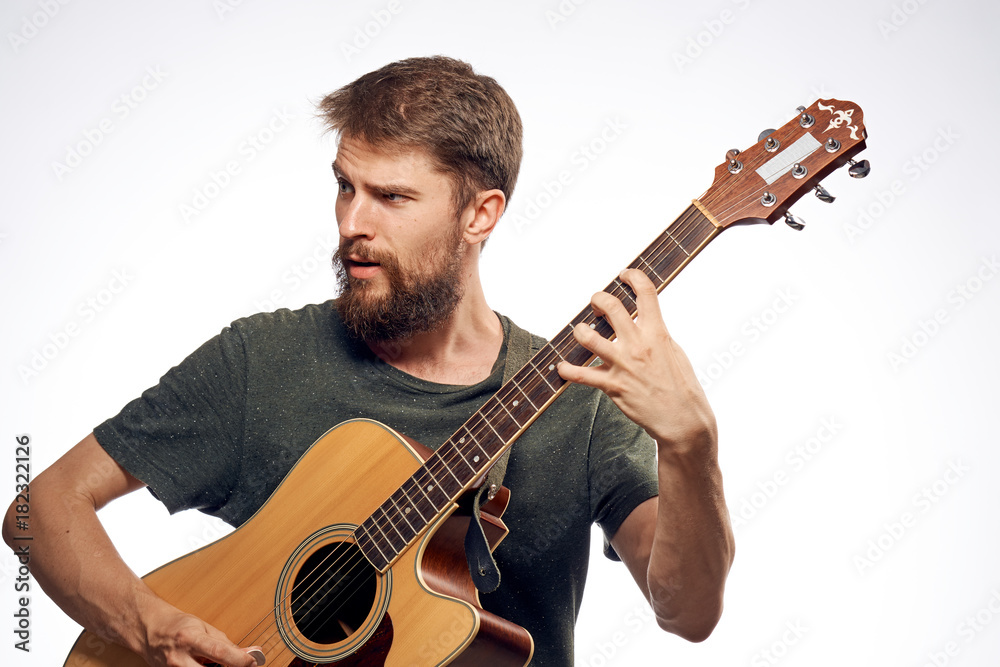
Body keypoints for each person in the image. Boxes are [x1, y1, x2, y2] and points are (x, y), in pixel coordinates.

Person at [3, 56, 734, 667]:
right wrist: (148, 624)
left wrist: (691, 444)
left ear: (479, 214)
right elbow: (41, 507)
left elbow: (688, 610)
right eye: (345, 186)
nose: (352, 223)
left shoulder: (582, 397)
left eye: (390, 196)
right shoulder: (264, 358)